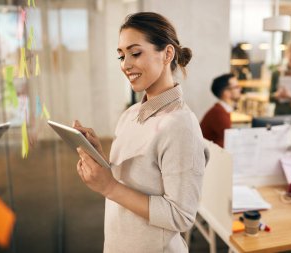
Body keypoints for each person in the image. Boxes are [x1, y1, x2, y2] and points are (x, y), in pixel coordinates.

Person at [73, 12, 209, 252]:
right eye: (121, 55)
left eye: (135, 53)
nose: (125, 64)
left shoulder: (180, 126)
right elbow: (133, 179)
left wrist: (108, 187)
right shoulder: (130, 114)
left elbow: (182, 216)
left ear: (167, 54)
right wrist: (100, 159)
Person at [200, 73, 241, 148]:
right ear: (226, 92)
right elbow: (231, 141)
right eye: (236, 87)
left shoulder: (221, 110)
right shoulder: (218, 113)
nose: (240, 89)